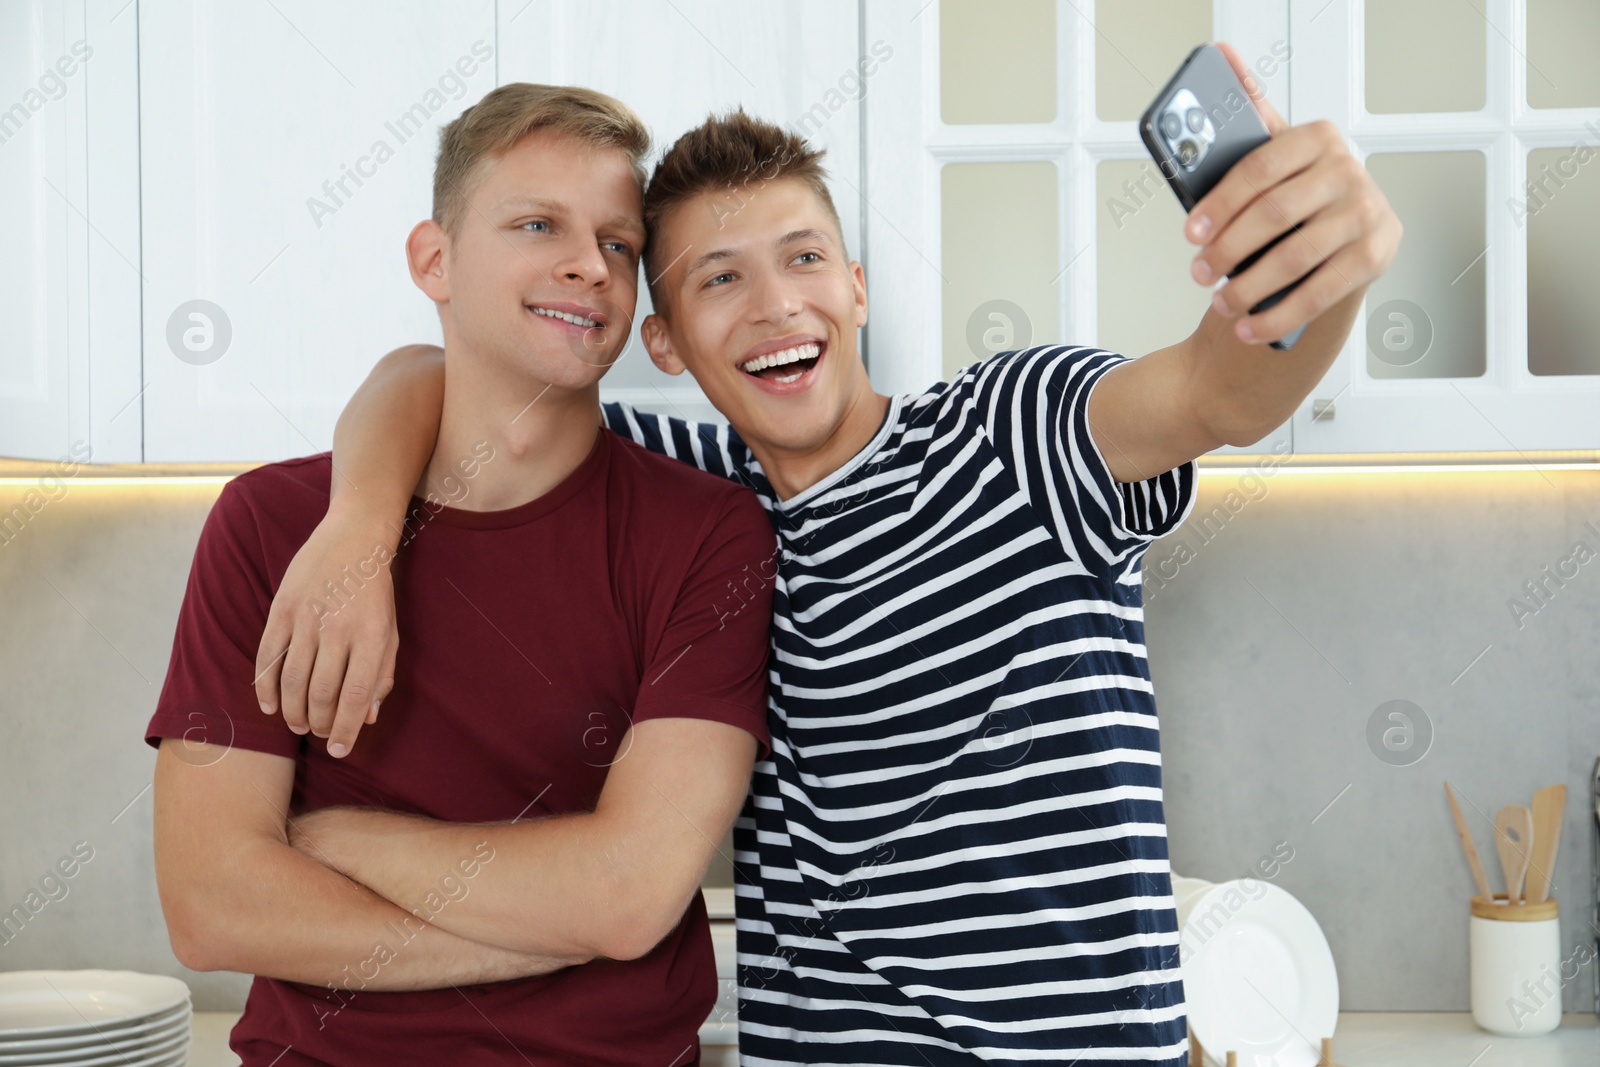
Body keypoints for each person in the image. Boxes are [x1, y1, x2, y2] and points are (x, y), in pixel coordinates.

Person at [256, 43, 1401, 1066]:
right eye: (718, 278)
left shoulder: (1010, 432)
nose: (773, 305)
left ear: (855, 287)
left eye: (804, 257)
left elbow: (1219, 389)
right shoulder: (685, 495)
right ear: (664, 340)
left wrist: (1312, 274)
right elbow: (430, 379)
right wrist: (358, 522)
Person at [146, 83, 777, 1067]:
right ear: (432, 260)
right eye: (537, 224)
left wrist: (338, 842)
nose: (588, 264)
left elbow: (630, 893)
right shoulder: (272, 527)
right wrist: (569, 928)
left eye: (617, 243)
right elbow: (214, 904)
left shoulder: (709, 532)